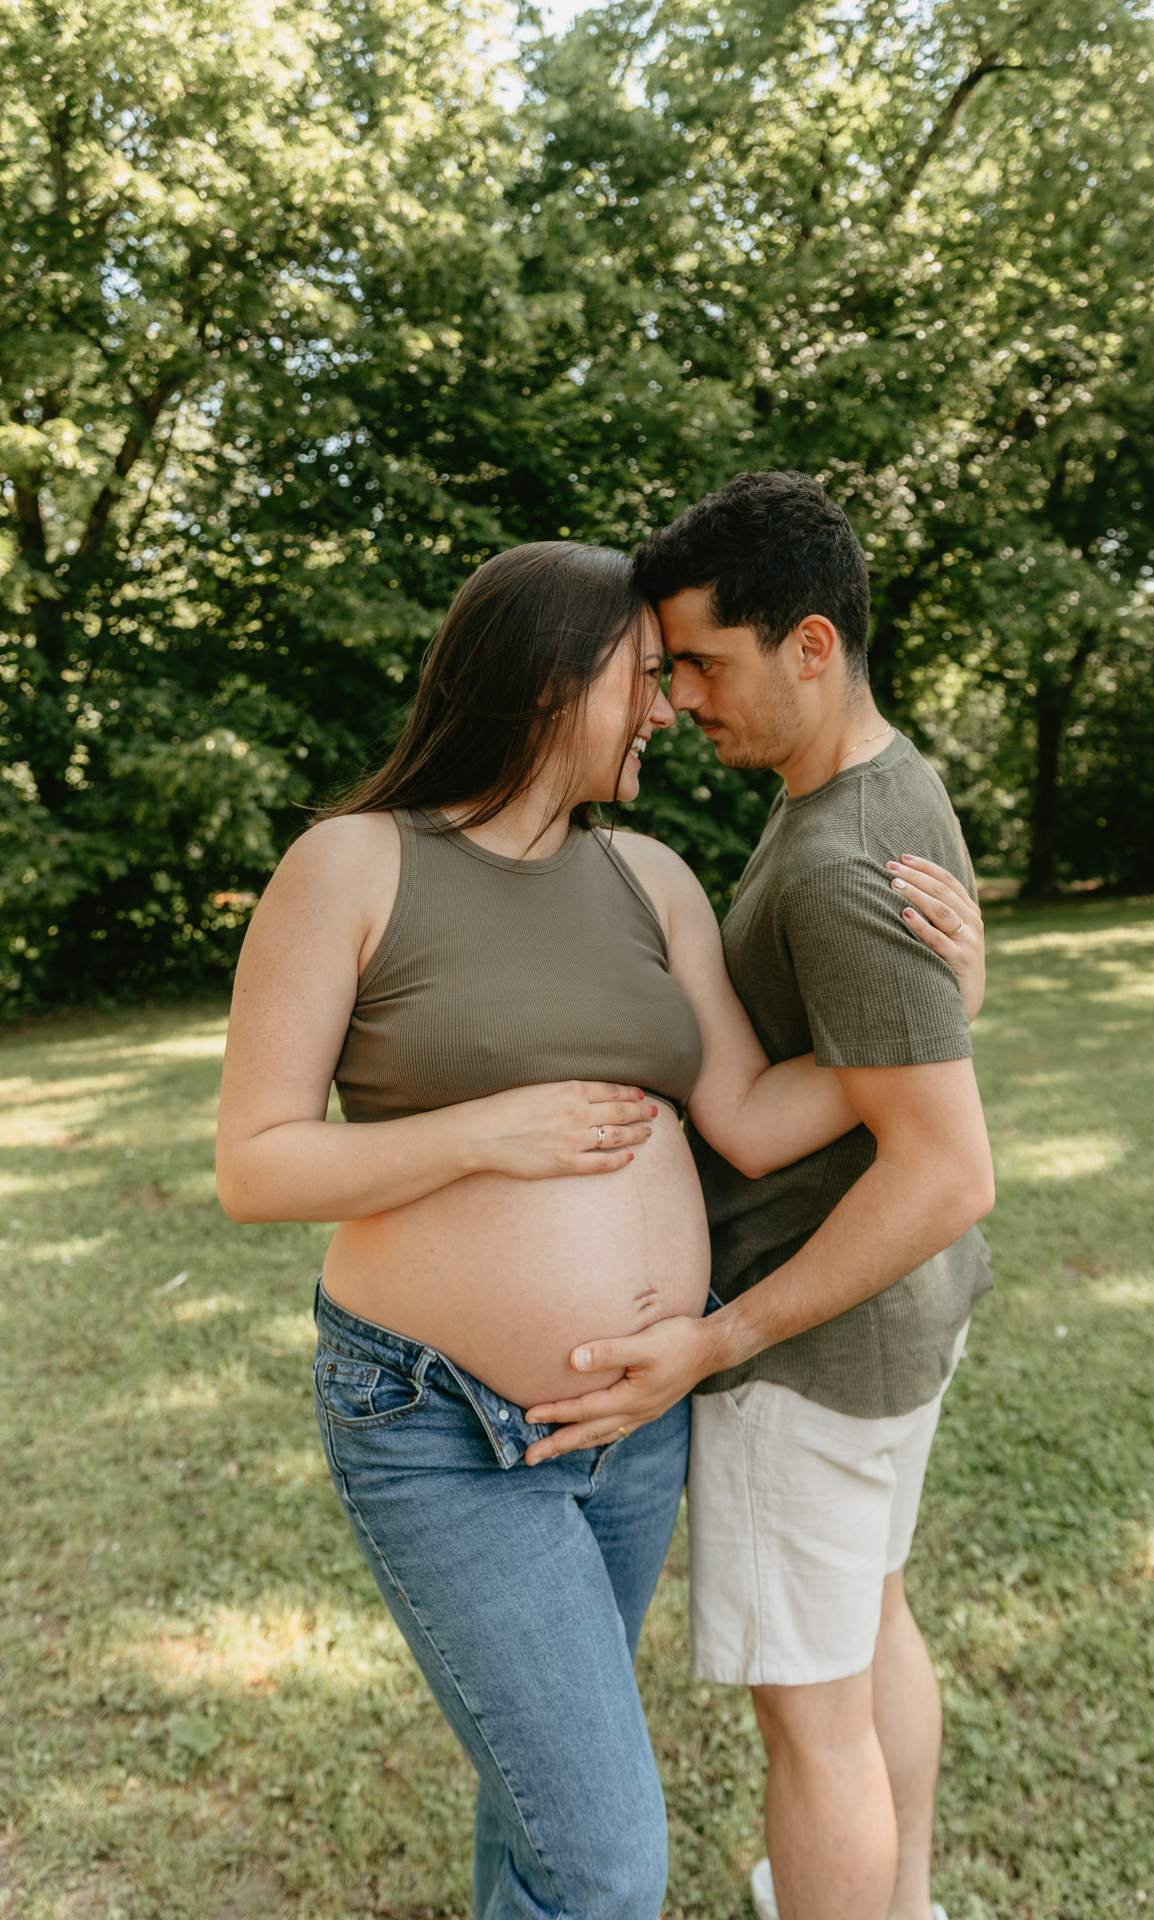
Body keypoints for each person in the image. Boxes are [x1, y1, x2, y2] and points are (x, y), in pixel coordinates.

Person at [214, 539, 981, 1920]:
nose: (667, 708)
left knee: (544, 1808)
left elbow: (746, 1112)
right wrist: (480, 1135)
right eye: (642, 677)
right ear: (553, 685)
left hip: (633, 1430)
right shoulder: (351, 866)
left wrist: (933, 1011)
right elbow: (255, 1167)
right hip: (440, 1425)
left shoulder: (650, 878)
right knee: (607, 1858)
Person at [521, 474, 995, 1920]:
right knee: (873, 1628)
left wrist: (721, 1343)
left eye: (703, 665)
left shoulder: (845, 858)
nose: (678, 701)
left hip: (813, 1355)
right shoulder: (871, 790)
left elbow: (946, 1166)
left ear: (808, 646)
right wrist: (964, 996)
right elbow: (888, 1062)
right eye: (664, 672)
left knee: (811, 1717)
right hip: (896, 1338)